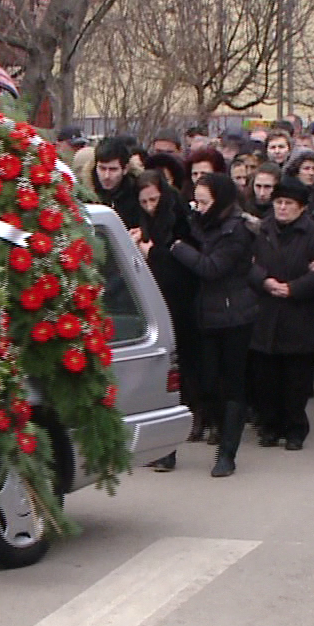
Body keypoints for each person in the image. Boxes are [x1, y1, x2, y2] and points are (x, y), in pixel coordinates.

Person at [169, 172, 259, 477]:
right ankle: (218, 428)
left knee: (231, 383)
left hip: (234, 315)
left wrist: (178, 248)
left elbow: (212, 268)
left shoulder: (235, 230)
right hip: (207, 315)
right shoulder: (203, 222)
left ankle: (228, 452)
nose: (198, 207)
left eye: (204, 202)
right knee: (208, 381)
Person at [248, 177, 314, 450]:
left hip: (301, 316)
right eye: (279, 203)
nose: (282, 208)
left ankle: (295, 428)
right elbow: (246, 263)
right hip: (267, 313)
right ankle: (270, 426)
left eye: (288, 204)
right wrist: (264, 280)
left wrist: (295, 288)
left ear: (301, 208)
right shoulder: (263, 230)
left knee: (296, 380)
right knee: (267, 377)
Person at [133, 169, 197, 471]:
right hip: (156, 302)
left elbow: (185, 261)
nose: (149, 206)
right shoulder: (147, 219)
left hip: (180, 304)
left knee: (177, 375)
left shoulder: (179, 218)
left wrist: (153, 253)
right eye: (144, 201)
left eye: (154, 199)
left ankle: (170, 447)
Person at [93, 139, 144, 229]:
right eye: (102, 168)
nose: (106, 176)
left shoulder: (139, 193)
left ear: (125, 169)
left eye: (113, 169)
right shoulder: (82, 191)